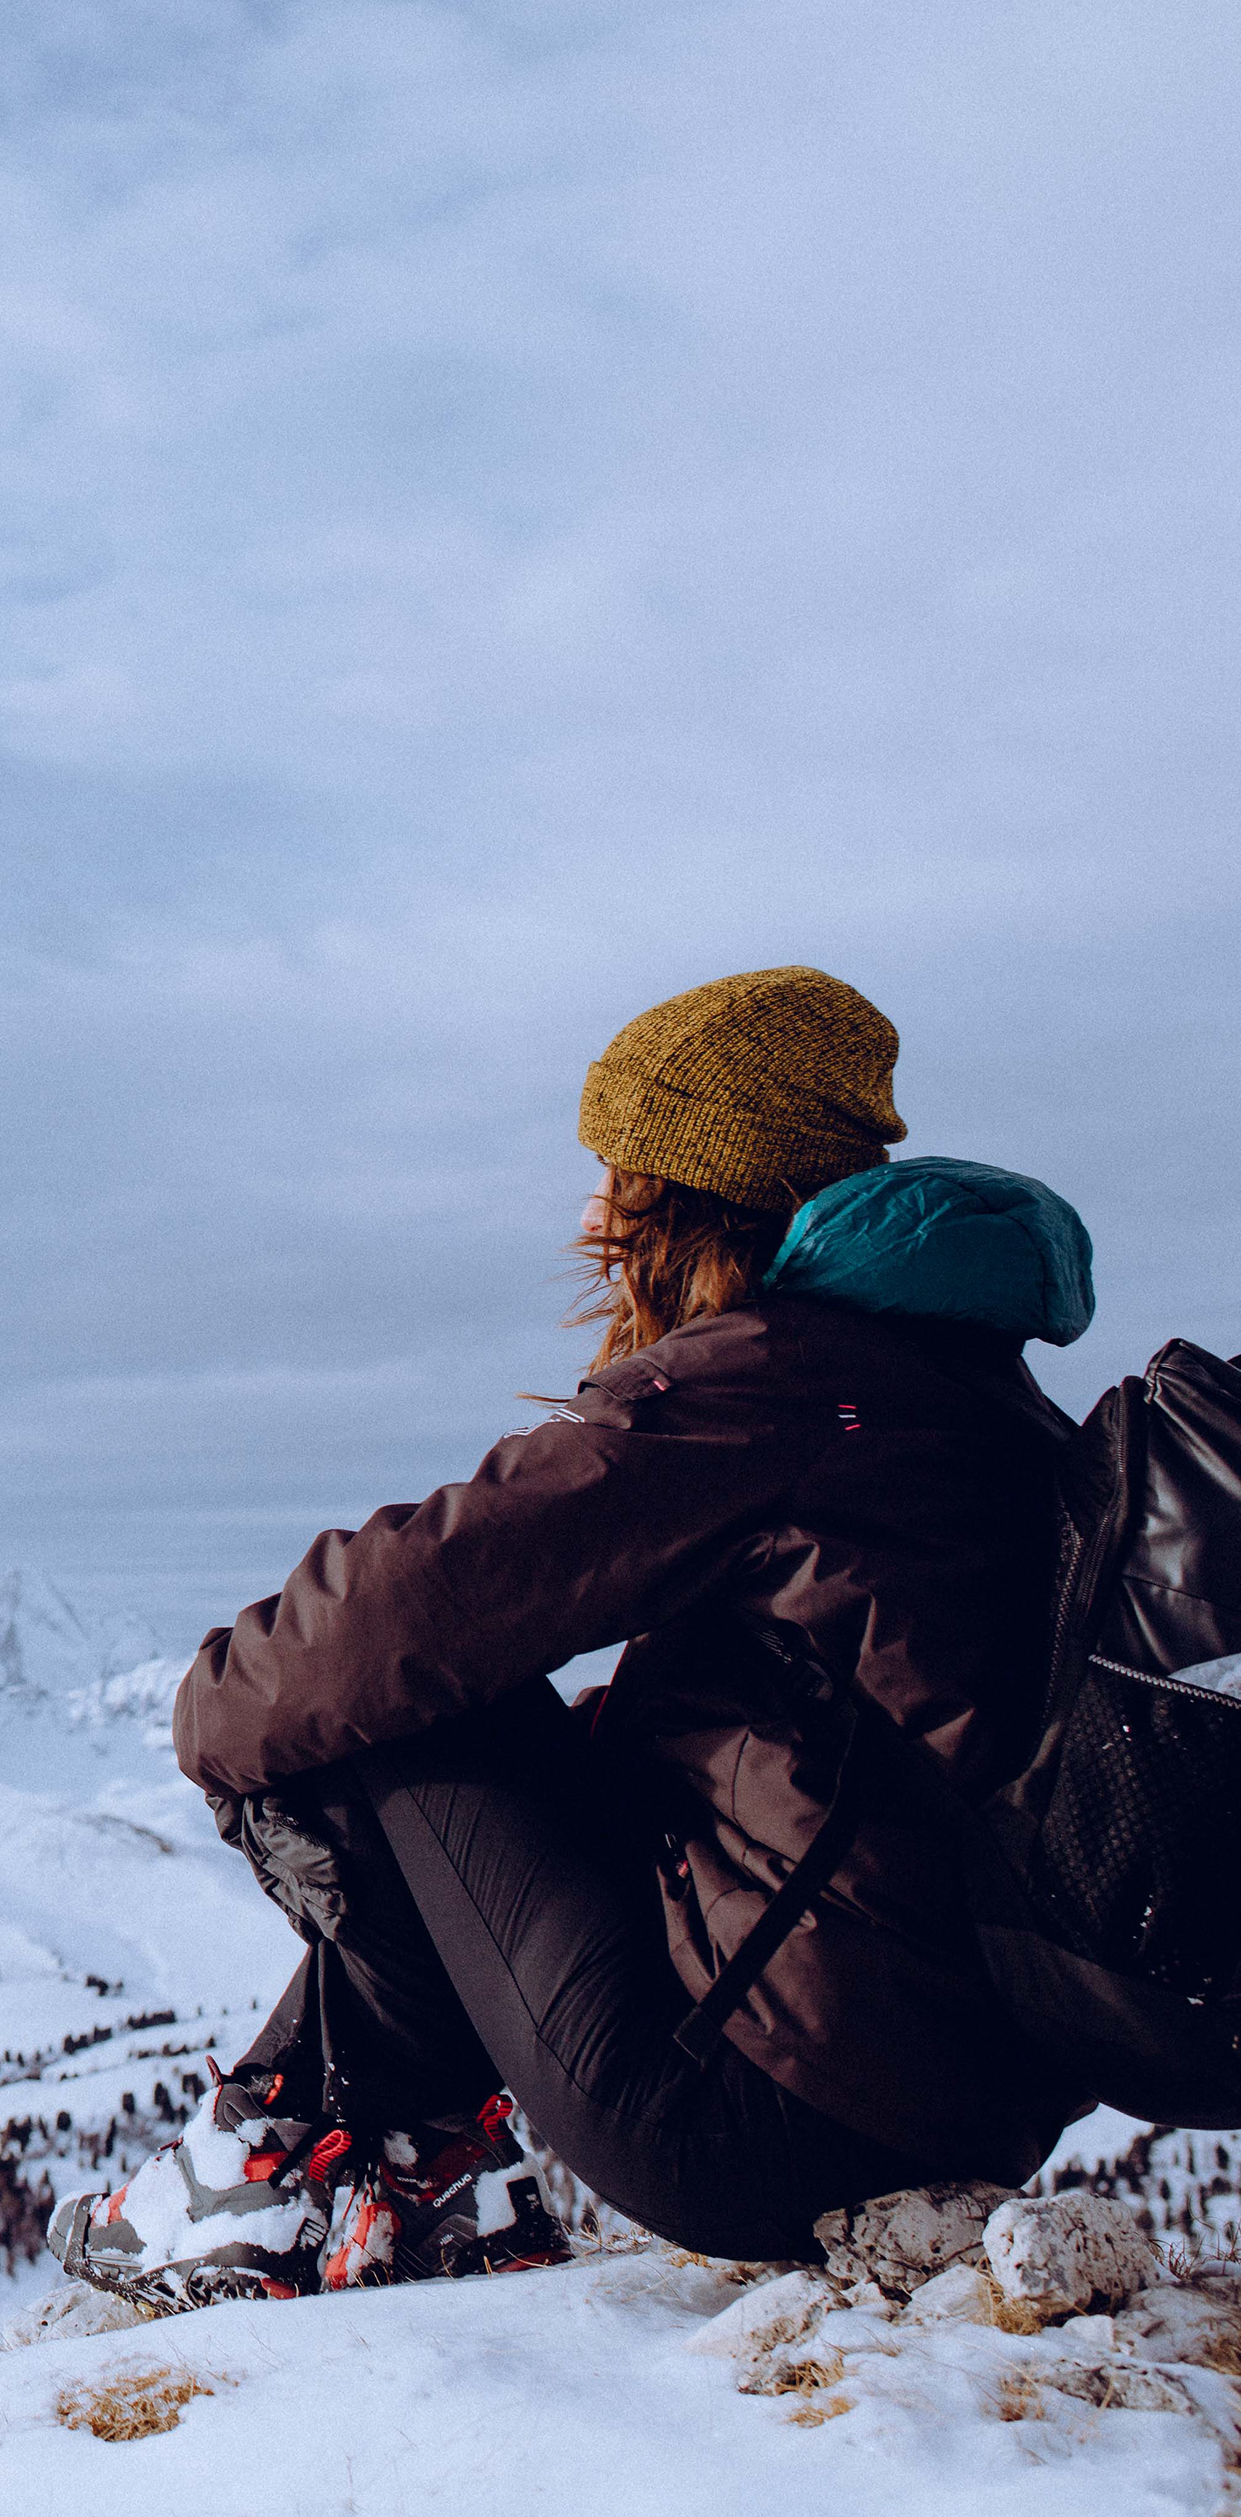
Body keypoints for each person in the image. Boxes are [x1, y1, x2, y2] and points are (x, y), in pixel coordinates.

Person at [53, 966, 1096, 2309]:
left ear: (697, 1192)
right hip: (939, 2100)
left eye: (622, 1175)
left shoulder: (774, 1385)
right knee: (425, 1692)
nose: (597, 1215)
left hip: (755, 2121)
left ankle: (299, 2170)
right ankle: (370, 2168)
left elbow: (407, 1605)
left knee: (387, 1683)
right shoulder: (961, 1395)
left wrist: (208, 1718)